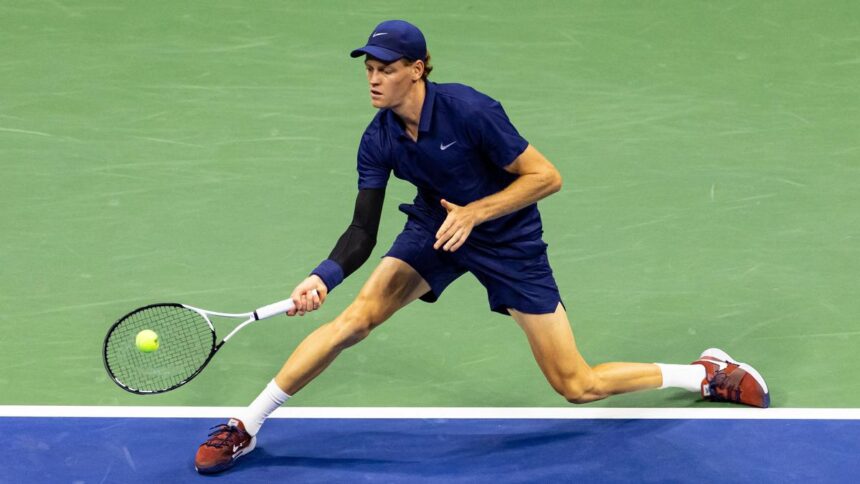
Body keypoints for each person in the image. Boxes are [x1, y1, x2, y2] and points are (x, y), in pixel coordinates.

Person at [193, 20, 770, 474]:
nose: (373, 79)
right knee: (354, 321)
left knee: (577, 385)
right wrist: (323, 275)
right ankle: (247, 425)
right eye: (368, 69)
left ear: (417, 69)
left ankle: (703, 374)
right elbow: (362, 230)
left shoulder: (469, 110)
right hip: (436, 230)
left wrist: (476, 212)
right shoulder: (378, 138)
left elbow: (546, 177)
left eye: (386, 69)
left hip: (508, 242)